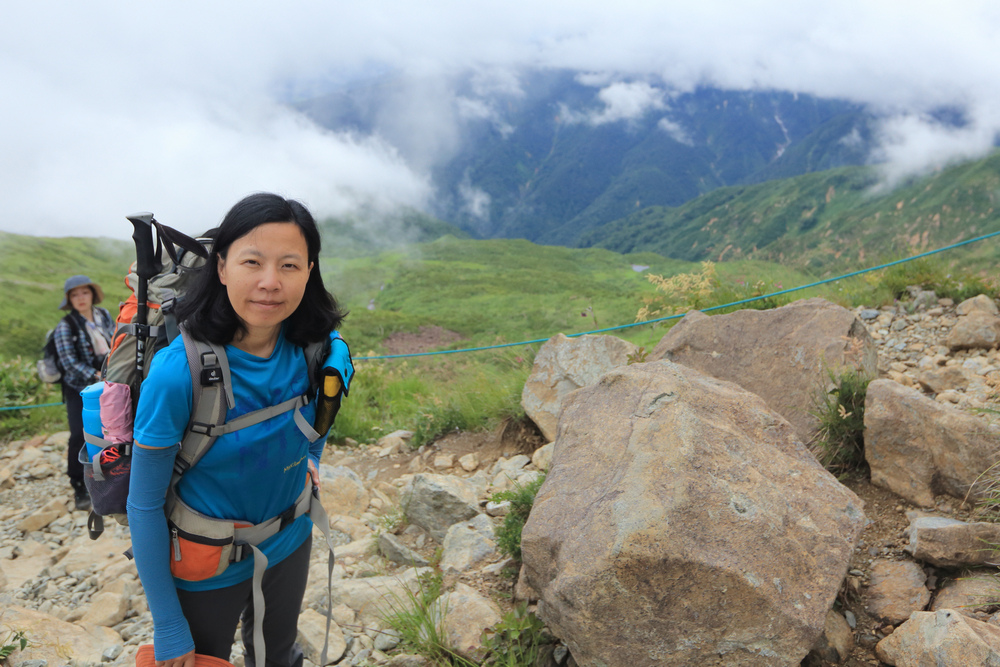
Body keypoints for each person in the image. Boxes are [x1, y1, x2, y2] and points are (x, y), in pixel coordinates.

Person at [126, 193, 350, 667]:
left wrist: (309, 463)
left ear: (310, 271)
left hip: (290, 538)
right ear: (222, 267)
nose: (270, 283)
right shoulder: (176, 374)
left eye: (290, 265)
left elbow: (318, 419)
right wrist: (168, 626)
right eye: (253, 262)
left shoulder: (313, 348)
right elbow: (143, 504)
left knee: (277, 656)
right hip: (206, 562)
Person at [54, 274, 114, 511]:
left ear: (92, 294)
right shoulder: (65, 326)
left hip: (108, 384)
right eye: (75, 294)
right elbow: (69, 363)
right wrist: (98, 375)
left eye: (84, 293)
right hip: (79, 389)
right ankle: (78, 484)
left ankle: (108, 475)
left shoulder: (104, 316)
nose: (81, 298)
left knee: (111, 430)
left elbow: (116, 341)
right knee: (79, 435)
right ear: (69, 299)